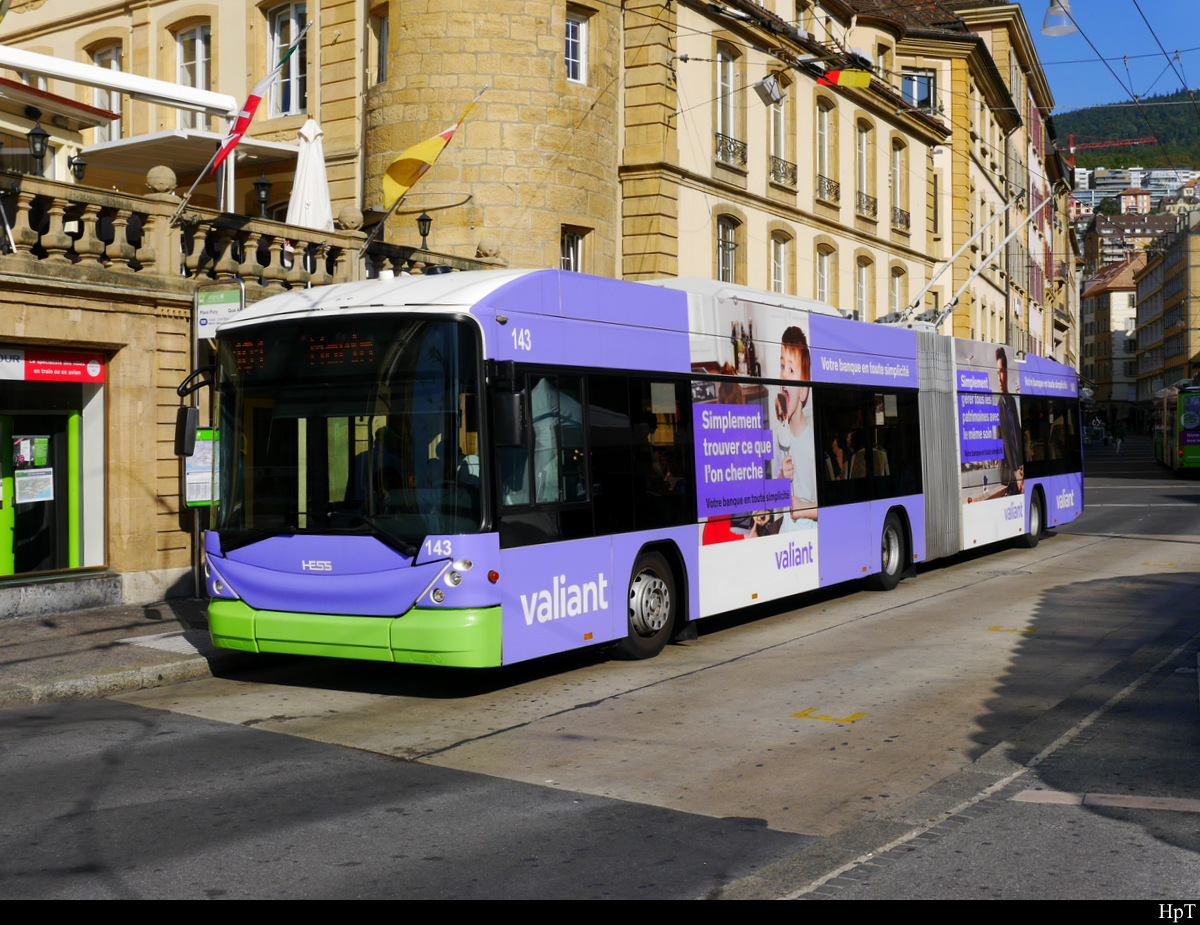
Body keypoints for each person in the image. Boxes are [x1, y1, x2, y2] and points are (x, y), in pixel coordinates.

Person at [775, 325, 818, 528]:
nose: (784, 374)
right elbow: (775, 499)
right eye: (782, 366)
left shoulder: (813, 443)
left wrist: (803, 507)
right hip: (786, 536)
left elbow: (831, 506)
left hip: (809, 538)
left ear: (803, 392)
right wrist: (782, 477)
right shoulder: (780, 436)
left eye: (791, 369)